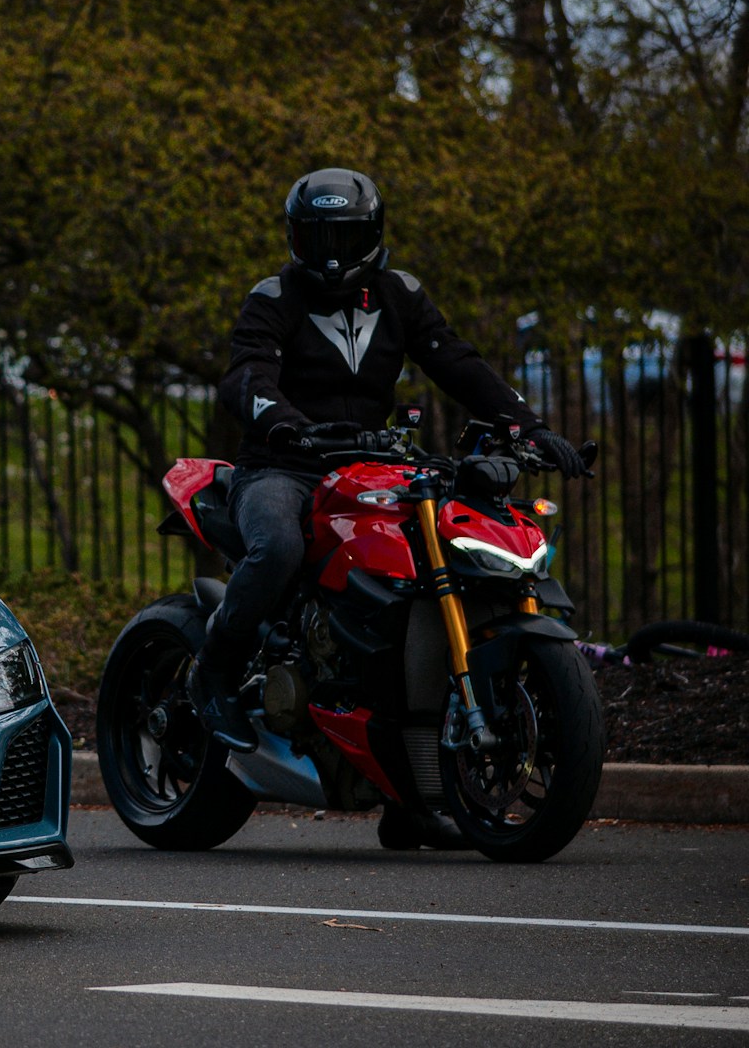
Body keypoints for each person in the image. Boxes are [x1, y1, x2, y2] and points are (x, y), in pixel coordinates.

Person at [190, 167, 588, 754]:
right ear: (295, 238)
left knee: (427, 556)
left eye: (344, 239)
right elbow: (247, 377)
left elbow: (458, 363)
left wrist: (530, 428)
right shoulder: (273, 298)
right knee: (278, 545)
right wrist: (292, 430)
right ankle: (214, 672)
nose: (330, 256)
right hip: (282, 467)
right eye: (316, 238)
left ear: (372, 235)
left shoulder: (400, 294)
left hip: (374, 465)